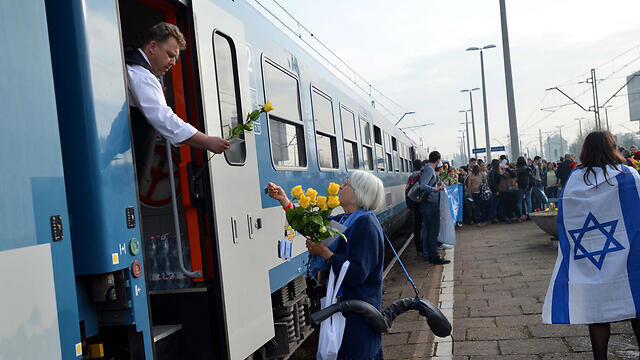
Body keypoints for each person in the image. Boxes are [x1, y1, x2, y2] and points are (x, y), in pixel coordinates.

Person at [266, 171, 385, 360]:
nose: (340, 187)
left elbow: (357, 273)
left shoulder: (365, 224)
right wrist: (285, 202)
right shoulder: (347, 220)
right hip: (348, 310)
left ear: (358, 193)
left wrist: (325, 253)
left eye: (346, 185)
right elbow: (311, 227)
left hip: (358, 313)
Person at [542, 131, 640, 360]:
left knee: (598, 311)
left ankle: (600, 357)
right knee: (637, 306)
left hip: (593, 258)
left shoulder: (575, 180)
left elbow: (569, 219)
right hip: (628, 256)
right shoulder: (629, 175)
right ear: (612, 148)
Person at [126, 22, 230, 178]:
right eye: (170, 55)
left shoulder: (133, 66)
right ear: (153, 47)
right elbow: (163, 118)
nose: (173, 63)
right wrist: (207, 141)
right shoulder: (142, 75)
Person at [418, 151, 450, 264]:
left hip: (428, 204)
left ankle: (431, 255)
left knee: (430, 230)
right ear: (438, 160)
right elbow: (423, 185)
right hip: (430, 204)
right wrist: (435, 189)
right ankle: (434, 256)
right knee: (433, 231)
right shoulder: (429, 169)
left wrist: (438, 185)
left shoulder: (427, 169)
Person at [406, 159, 423, 255]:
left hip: (414, 203)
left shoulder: (411, 176)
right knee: (424, 226)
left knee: (416, 226)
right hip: (422, 203)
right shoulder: (422, 175)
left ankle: (418, 248)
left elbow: (407, 190)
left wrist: (409, 205)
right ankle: (424, 247)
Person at [516, 156, 533, 221]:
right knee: (528, 200)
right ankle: (529, 214)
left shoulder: (518, 170)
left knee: (519, 201)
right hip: (528, 187)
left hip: (520, 187)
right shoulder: (528, 169)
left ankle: (520, 215)